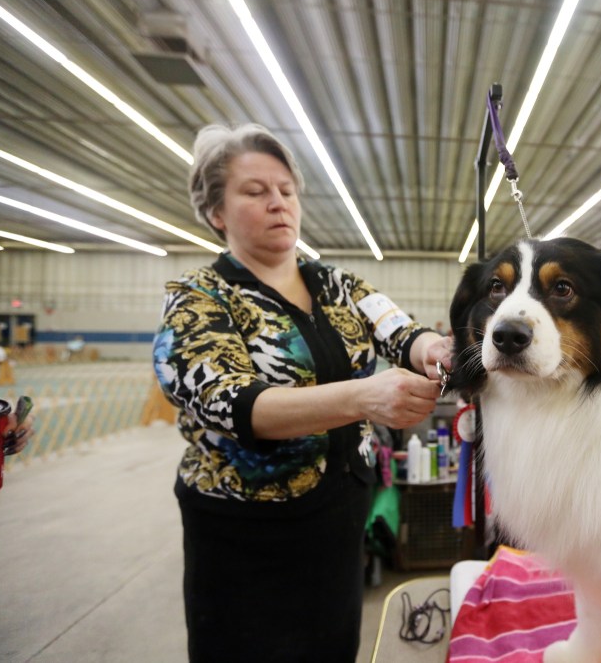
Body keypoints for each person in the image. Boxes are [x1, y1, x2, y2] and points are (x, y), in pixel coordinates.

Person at [153, 123, 452, 663]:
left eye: (287, 191)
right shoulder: (198, 298)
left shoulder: (336, 284)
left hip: (338, 516)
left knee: (333, 645)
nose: (278, 203)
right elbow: (233, 402)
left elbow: (403, 334)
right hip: (246, 532)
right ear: (217, 213)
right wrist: (363, 397)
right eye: (255, 191)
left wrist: (439, 350)